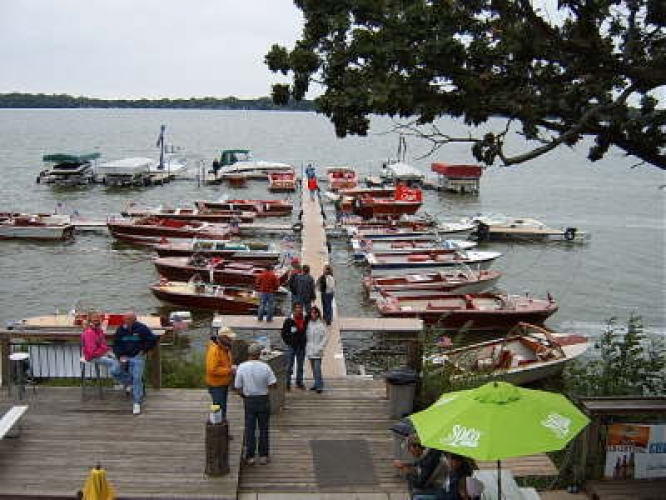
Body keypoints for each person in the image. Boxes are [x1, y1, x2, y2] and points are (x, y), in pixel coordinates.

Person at [234, 343, 277, 465]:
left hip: (249, 400)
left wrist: (244, 395)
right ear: (259, 354)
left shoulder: (242, 367)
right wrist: (266, 387)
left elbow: (237, 387)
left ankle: (250, 456)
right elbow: (273, 384)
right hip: (263, 399)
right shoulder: (265, 367)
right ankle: (263, 455)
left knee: (250, 428)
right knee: (264, 428)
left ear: (248, 354)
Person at [112, 312, 157, 415]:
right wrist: (120, 355)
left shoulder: (142, 328)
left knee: (137, 377)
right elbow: (116, 344)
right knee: (114, 371)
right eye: (125, 319)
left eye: (128, 319)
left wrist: (144, 350)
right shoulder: (120, 329)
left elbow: (152, 339)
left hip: (137, 356)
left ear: (134, 320)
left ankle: (137, 402)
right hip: (124, 356)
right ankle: (131, 383)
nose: (126, 321)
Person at [393, 434, 447, 499]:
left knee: (416, 493)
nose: (409, 451)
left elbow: (421, 483)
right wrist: (406, 467)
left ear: (416, 447)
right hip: (435, 487)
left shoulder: (430, 458)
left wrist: (408, 472)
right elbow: (420, 469)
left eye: (409, 448)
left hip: (438, 489)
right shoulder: (427, 456)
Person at [205, 326, 237, 420]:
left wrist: (231, 367)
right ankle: (217, 425)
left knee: (222, 406)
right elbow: (212, 370)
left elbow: (223, 363)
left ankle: (222, 424)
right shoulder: (214, 350)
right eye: (229, 338)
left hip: (223, 383)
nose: (231, 339)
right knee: (218, 408)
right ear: (223, 338)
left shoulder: (225, 347)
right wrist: (230, 370)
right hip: (216, 385)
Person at [280, 302, 308, 390]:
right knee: (289, 366)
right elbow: (283, 333)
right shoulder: (289, 320)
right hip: (291, 347)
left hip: (301, 346)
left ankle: (299, 382)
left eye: (300, 308)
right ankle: (287, 383)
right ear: (294, 309)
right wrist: (288, 342)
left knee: (300, 366)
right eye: (297, 308)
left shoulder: (305, 319)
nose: (299, 309)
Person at [305, 306, 327, 393]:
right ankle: (316, 383)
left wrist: (320, 347)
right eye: (312, 313)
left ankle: (320, 386)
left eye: (315, 313)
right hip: (310, 350)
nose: (313, 314)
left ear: (318, 314)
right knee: (313, 369)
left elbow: (325, 338)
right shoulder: (308, 323)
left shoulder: (321, 324)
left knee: (317, 369)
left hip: (318, 351)